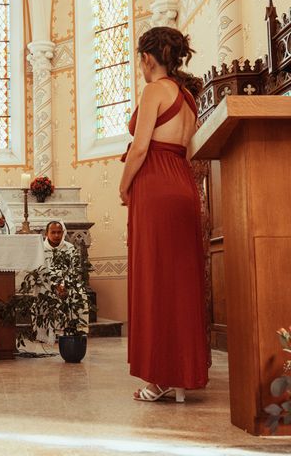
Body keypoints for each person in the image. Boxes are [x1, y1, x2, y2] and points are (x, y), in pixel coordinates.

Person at [119, 26, 208, 403]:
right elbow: (187, 152)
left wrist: (124, 186)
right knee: (182, 279)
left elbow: (139, 149)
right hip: (183, 184)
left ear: (147, 58)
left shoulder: (154, 90)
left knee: (155, 278)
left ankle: (159, 377)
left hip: (155, 184)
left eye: (140, 59)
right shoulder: (187, 97)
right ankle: (183, 373)